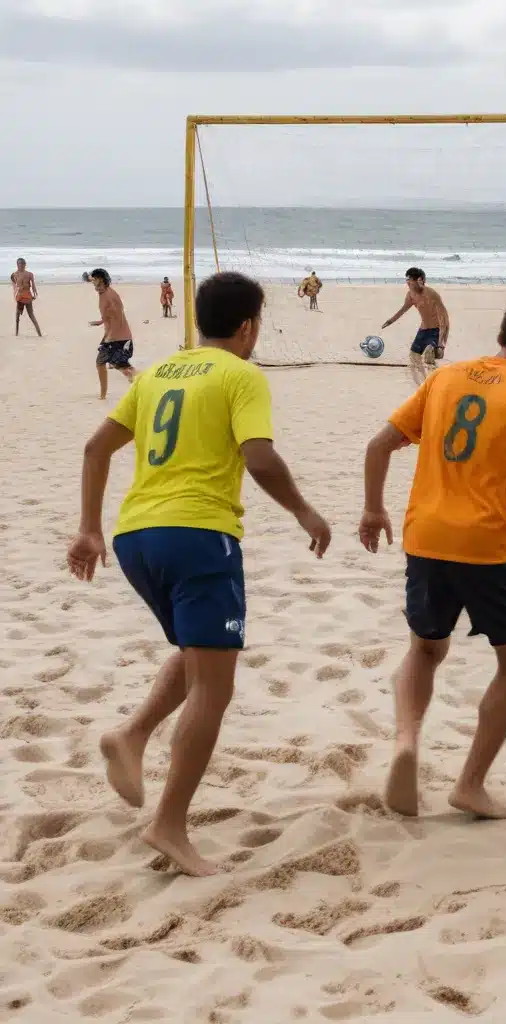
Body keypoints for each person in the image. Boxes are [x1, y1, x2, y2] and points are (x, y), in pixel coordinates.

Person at [66, 271, 332, 877]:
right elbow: (259, 457)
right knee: (216, 683)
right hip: (198, 535)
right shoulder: (242, 375)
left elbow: (94, 449)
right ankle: (169, 825)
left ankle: (131, 736)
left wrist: (88, 528)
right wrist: (304, 511)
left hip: (136, 538)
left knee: (198, 654)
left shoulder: (160, 370)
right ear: (247, 326)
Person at [360, 293, 506, 821]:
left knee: (424, 650)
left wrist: (373, 510)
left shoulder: (445, 378)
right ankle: (470, 784)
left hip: (425, 538)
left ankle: (406, 742)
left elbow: (379, 446)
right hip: (489, 547)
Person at [381, 267, 451, 389]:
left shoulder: (432, 294)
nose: (408, 283)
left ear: (420, 280)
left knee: (429, 354)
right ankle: (423, 385)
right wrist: (390, 321)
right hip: (423, 330)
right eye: (406, 280)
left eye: (410, 280)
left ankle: (436, 382)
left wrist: (441, 343)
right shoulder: (411, 295)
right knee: (413, 356)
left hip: (437, 329)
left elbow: (444, 318)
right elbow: (403, 310)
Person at [90, 269, 136, 399]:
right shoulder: (107, 292)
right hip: (120, 337)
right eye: (94, 284)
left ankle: (103, 395)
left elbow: (116, 316)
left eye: (98, 285)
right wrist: (101, 322)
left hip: (116, 338)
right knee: (121, 366)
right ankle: (140, 381)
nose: (96, 288)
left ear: (104, 282)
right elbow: (109, 315)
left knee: (101, 362)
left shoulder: (108, 296)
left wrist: (108, 338)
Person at [11, 258, 42, 337]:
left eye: (22, 264)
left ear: (25, 265)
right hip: (20, 297)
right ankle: (16, 333)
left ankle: (39, 334)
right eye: (18, 264)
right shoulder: (15, 274)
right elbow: (14, 285)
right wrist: (15, 293)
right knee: (17, 316)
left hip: (27, 296)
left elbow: (33, 285)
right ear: (17, 265)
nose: (20, 266)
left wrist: (35, 293)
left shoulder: (29, 274)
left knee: (31, 315)